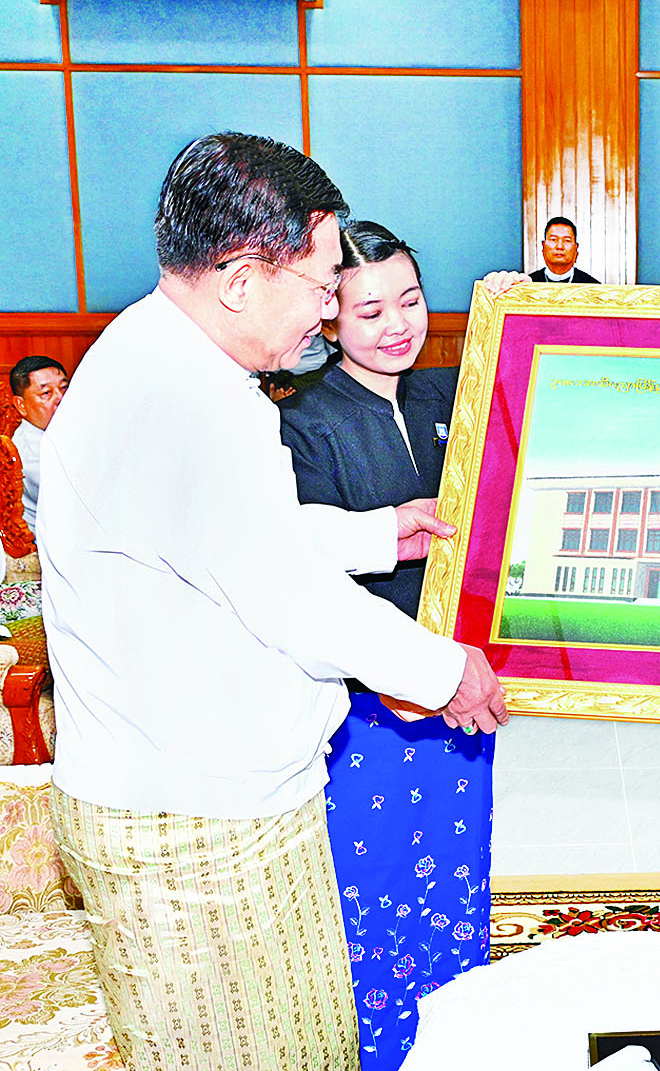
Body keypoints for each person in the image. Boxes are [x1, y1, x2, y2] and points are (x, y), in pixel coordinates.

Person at [40, 132, 510, 1071]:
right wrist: (444, 670)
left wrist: (376, 535)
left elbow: (231, 540)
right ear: (243, 280)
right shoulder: (186, 403)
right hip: (194, 827)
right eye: (324, 283)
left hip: (217, 797)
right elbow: (289, 597)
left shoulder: (163, 356)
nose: (332, 308)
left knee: (304, 1037)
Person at [279, 223, 523, 1068]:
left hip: (458, 684)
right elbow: (309, 582)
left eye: (411, 301)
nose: (397, 325)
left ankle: (456, 1036)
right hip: (365, 705)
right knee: (372, 886)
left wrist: (519, 315)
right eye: (370, 309)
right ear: (328, 315)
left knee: (457, 868)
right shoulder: (302, 425)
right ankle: (379, 1048)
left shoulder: (454, 392)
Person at [8, 354, 67, 533]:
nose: (61, 399)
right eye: (46, 393)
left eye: (64, 388)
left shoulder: (60, 431)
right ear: (21, 405)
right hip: (48, 538)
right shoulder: (28, 451)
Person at [529, 215, 599, 284]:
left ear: (576, 247)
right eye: (553, 239)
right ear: (543, 245)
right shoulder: (528, 285)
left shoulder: (594, 287)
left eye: (567, 240)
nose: (560, 246)